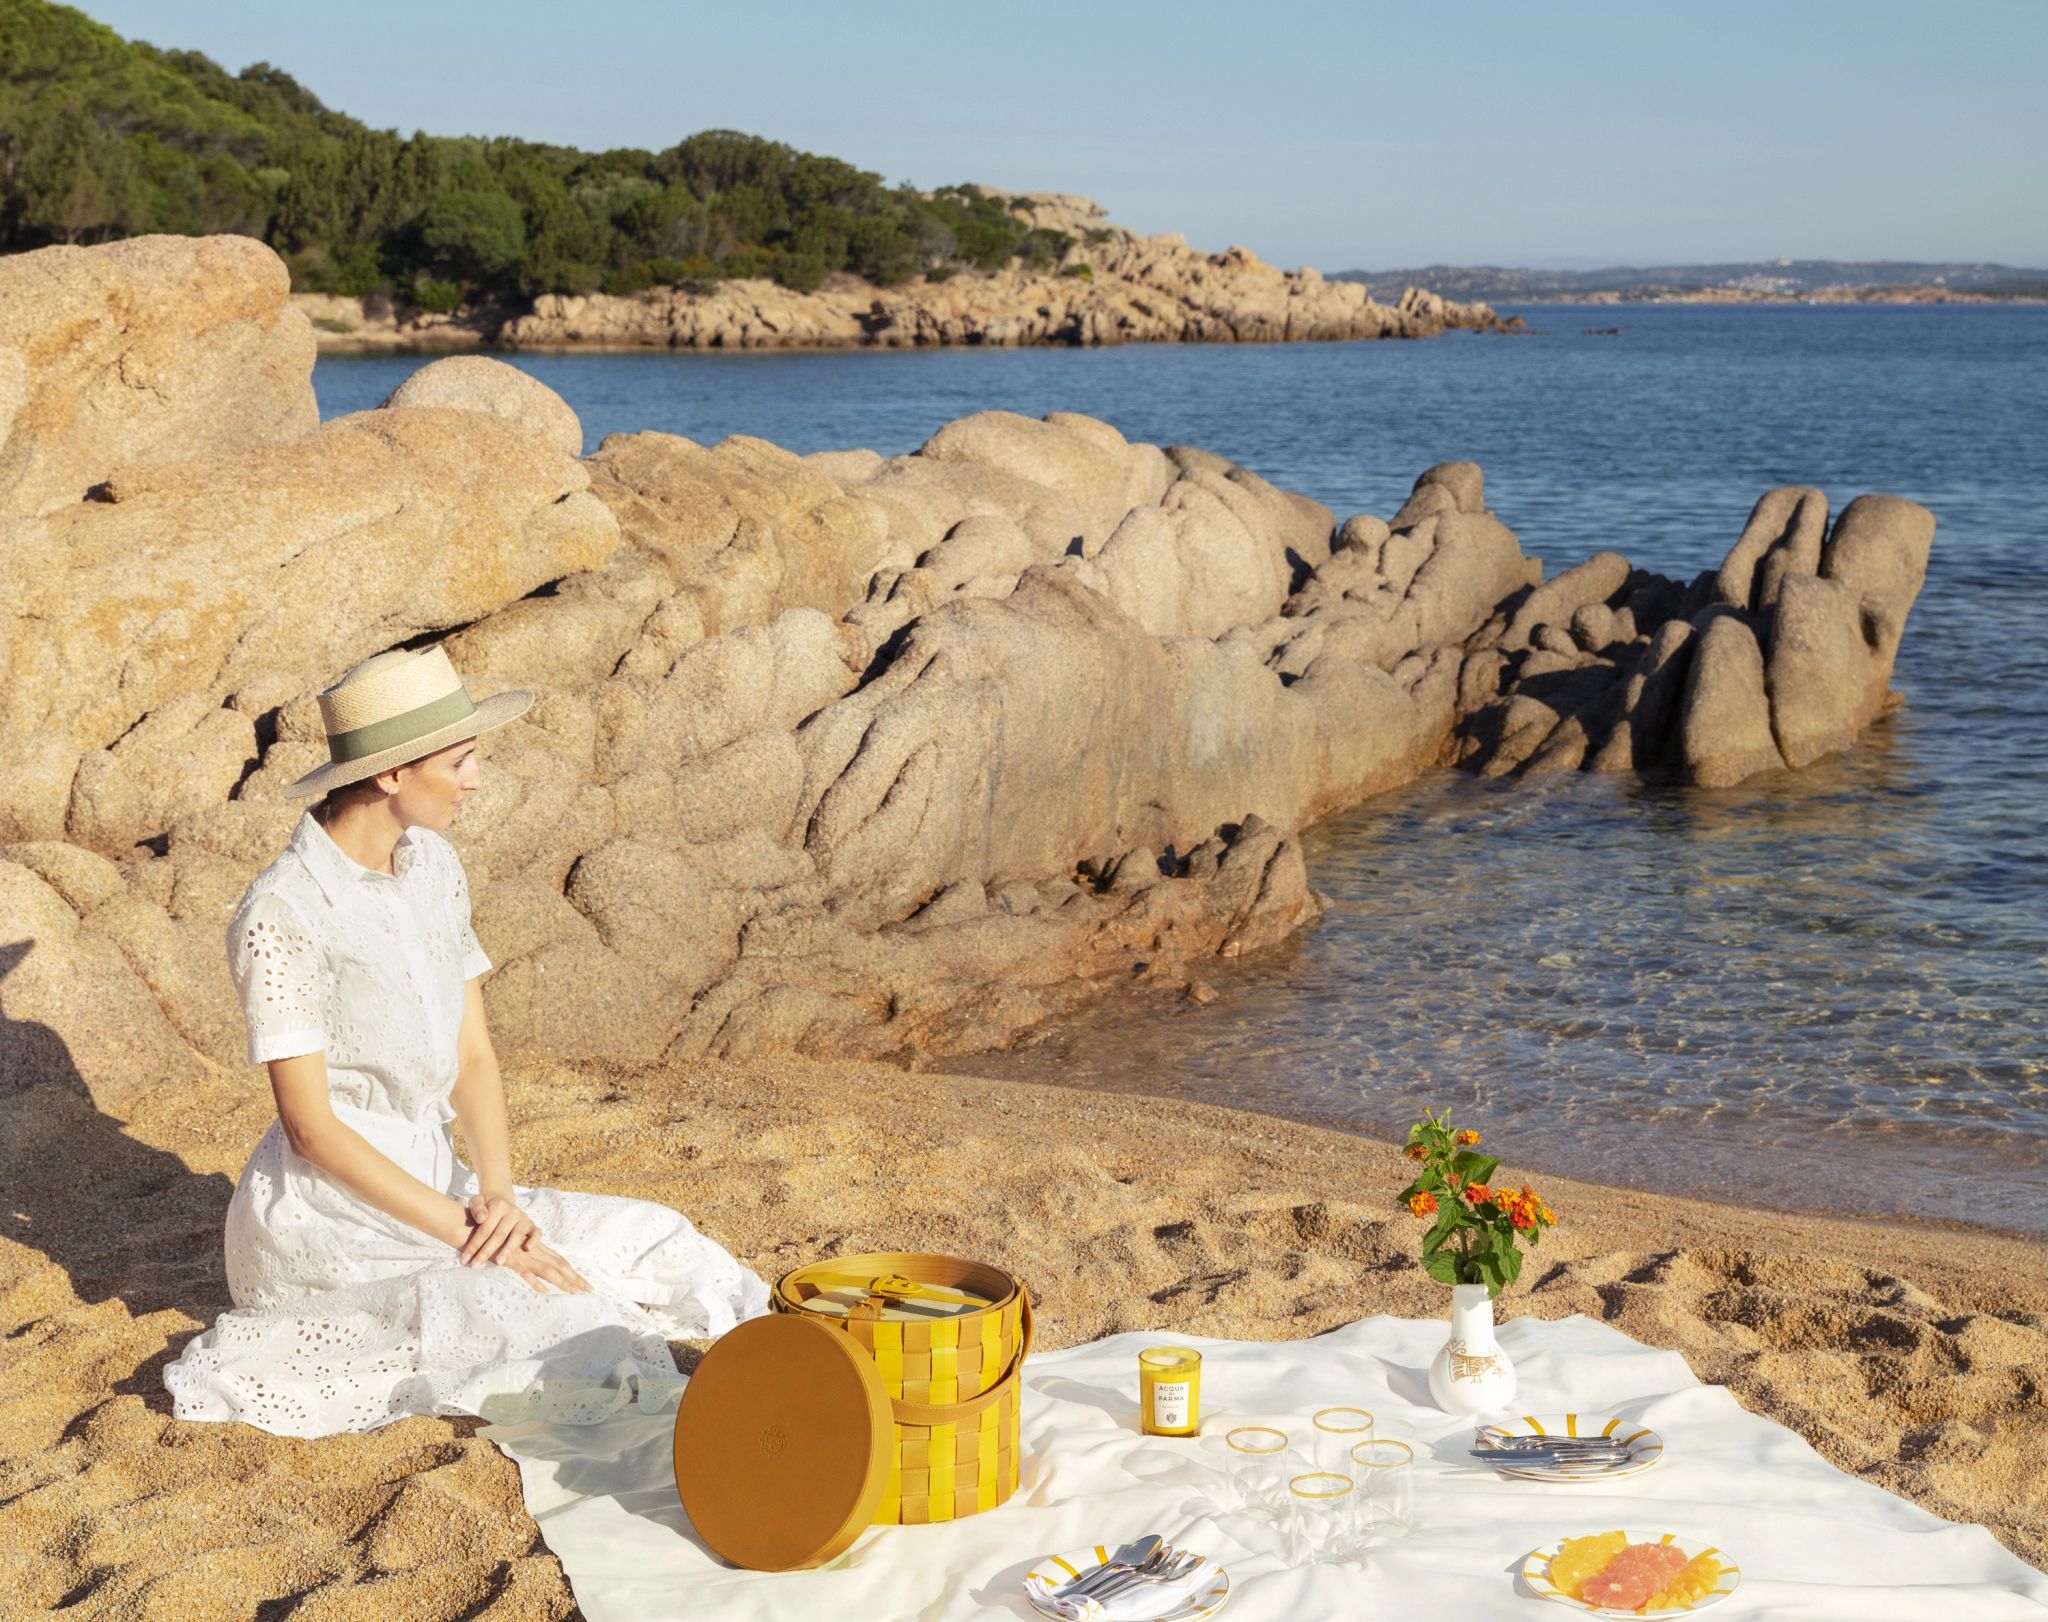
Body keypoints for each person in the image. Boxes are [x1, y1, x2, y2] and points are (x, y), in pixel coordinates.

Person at [163, 645, 769, 1437]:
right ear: (390, 774)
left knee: (654, 1237)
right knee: (554, 1318)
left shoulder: (435, 867)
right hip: (330, 1217)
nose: (477, 779)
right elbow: (311, 1132)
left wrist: (502, 1199)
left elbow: (473, 1055)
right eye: (461, 761)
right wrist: (474, 1237)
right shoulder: (285, 909)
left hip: (443, 1180)